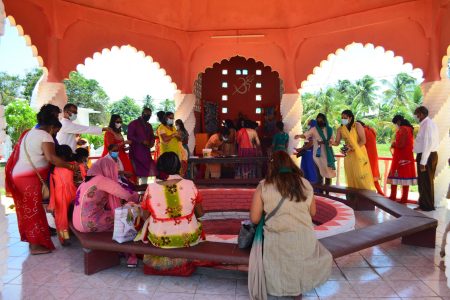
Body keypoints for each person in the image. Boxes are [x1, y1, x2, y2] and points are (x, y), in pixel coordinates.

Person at [249, 151, 332, 299]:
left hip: (276, 242)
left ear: (271, 166)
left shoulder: (264, 186)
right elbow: (313, 213)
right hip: (305, 240)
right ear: (290, 164)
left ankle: (279, 289)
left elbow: (255, 219)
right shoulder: (305, 184)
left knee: (280, 253)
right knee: (297, 253)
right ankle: (297, 290)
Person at [5, 113, 77, 255]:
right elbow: (51, 158)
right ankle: (36, 246)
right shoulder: (45, 136)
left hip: (19, 175)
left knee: (27, 211)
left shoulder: (29, 133)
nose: (55, 134)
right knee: (34, 211)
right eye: (56, 130)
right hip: (28, 177)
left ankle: (33, 243)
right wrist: (70, 167)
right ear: (51, 126)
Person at [135, 152, 204, 276]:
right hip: (189, 237)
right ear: (179, 166)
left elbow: (145, 216)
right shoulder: (190, 184)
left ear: (160, 167)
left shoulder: (151, 188)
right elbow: (200, 213)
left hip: (160, 238)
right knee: (196, 223)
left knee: (146, 223)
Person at [72, 156, 139, 233]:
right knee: (128, 211)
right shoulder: (101, 180)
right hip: (89, 224)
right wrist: (138, 198)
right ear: (108, 169)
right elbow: (126, 195)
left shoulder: (86, 181)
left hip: (76, 223)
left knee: (116, 210)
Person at [333, 110, 374, 190]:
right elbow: (337, 142)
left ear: (350, 118)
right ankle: (352, 198)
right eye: (342, 118)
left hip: (360, 153)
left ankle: (365, 196)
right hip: (349, 155)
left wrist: (352, 148)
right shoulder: (340, 129)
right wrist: (331, 143)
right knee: (351, 174)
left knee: (361, 175)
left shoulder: (357, 125)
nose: (343, 119)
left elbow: (363, 141)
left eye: (345, 118)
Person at [48, 145, 77, 246]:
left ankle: (67, 237)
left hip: (63, 194)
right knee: (63, 218)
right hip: (67, 193)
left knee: (63, 218)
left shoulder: (56, 167)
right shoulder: (70, 165)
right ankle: (64, 238)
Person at [296, 114, 336, 186]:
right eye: (318, 120)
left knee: (328, 174)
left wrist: (325, 142)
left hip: (327, 155)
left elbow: (333, 141)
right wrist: (299, 136)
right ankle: (320, 191)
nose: (319, 121)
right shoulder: (314, 129)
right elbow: (306, 135)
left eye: (320, 120)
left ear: (324, 120)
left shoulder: (329, 130)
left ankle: (327, 192)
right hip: (317, 155)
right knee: (319, 174)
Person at [413, 106, 439, 211]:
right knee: (424, 181)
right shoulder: (427, 124)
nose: (416, 116)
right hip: (428, 155)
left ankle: (427, 206)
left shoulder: (427, 124)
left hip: (426, 156)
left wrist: (423, 162)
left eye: (417, 114)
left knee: (425, 182)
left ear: (422, 114)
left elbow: (428, 144)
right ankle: (425, 204)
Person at [387, 115, 417, 203]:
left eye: (395, 123)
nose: (396, 125)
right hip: (408, 156)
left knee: (395, 175)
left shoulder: (403, 129)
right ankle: (404, 198)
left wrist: (393, 144)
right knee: (405, 178)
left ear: (399, 121)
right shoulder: (409, 129)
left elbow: (401, 144)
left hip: (400, 157)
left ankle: (393, 197)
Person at [127, 107, 156, 184]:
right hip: (136, 152)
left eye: (150, 115)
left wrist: (152, 142)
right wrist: (142, 141)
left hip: (146, 152)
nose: (148, 116)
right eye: (147, 114)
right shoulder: (133, 123)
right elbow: (129, 136)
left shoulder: (149, 125)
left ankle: (144, 189)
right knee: (135, 171)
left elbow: (152, 136)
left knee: (146, 172)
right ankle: (136, 191)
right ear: (142, 113)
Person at [101, 114, 134, 179]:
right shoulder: (109, 132)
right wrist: (124, 142)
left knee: (128, 175)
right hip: (112, 156)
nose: (119, 124)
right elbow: (110, 147)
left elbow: (121, 148)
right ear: (113, 122)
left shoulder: (119, 133)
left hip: (122, 156)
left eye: (120, 122)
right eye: (117, 122)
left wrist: (127, 148)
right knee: (114, 176)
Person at [357, 121, 384, 195]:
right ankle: (380, 193)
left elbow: (359, 143)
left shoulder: (363, 131)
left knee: (365, 176)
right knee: (373, 176)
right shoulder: (371, 130)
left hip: (366, 156)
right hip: (373, 155)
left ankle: (368, 195)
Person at [295, 120, 320, 184]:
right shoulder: (310, 130)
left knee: (310, 170)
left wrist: (301, 149)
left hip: (310, 154)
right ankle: (306, 186)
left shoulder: (314, 131)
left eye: (309, 123)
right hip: (307, 154)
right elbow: (306, 141)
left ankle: (313, 188)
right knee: (305, 170)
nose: (308, 124)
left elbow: (311, 143)